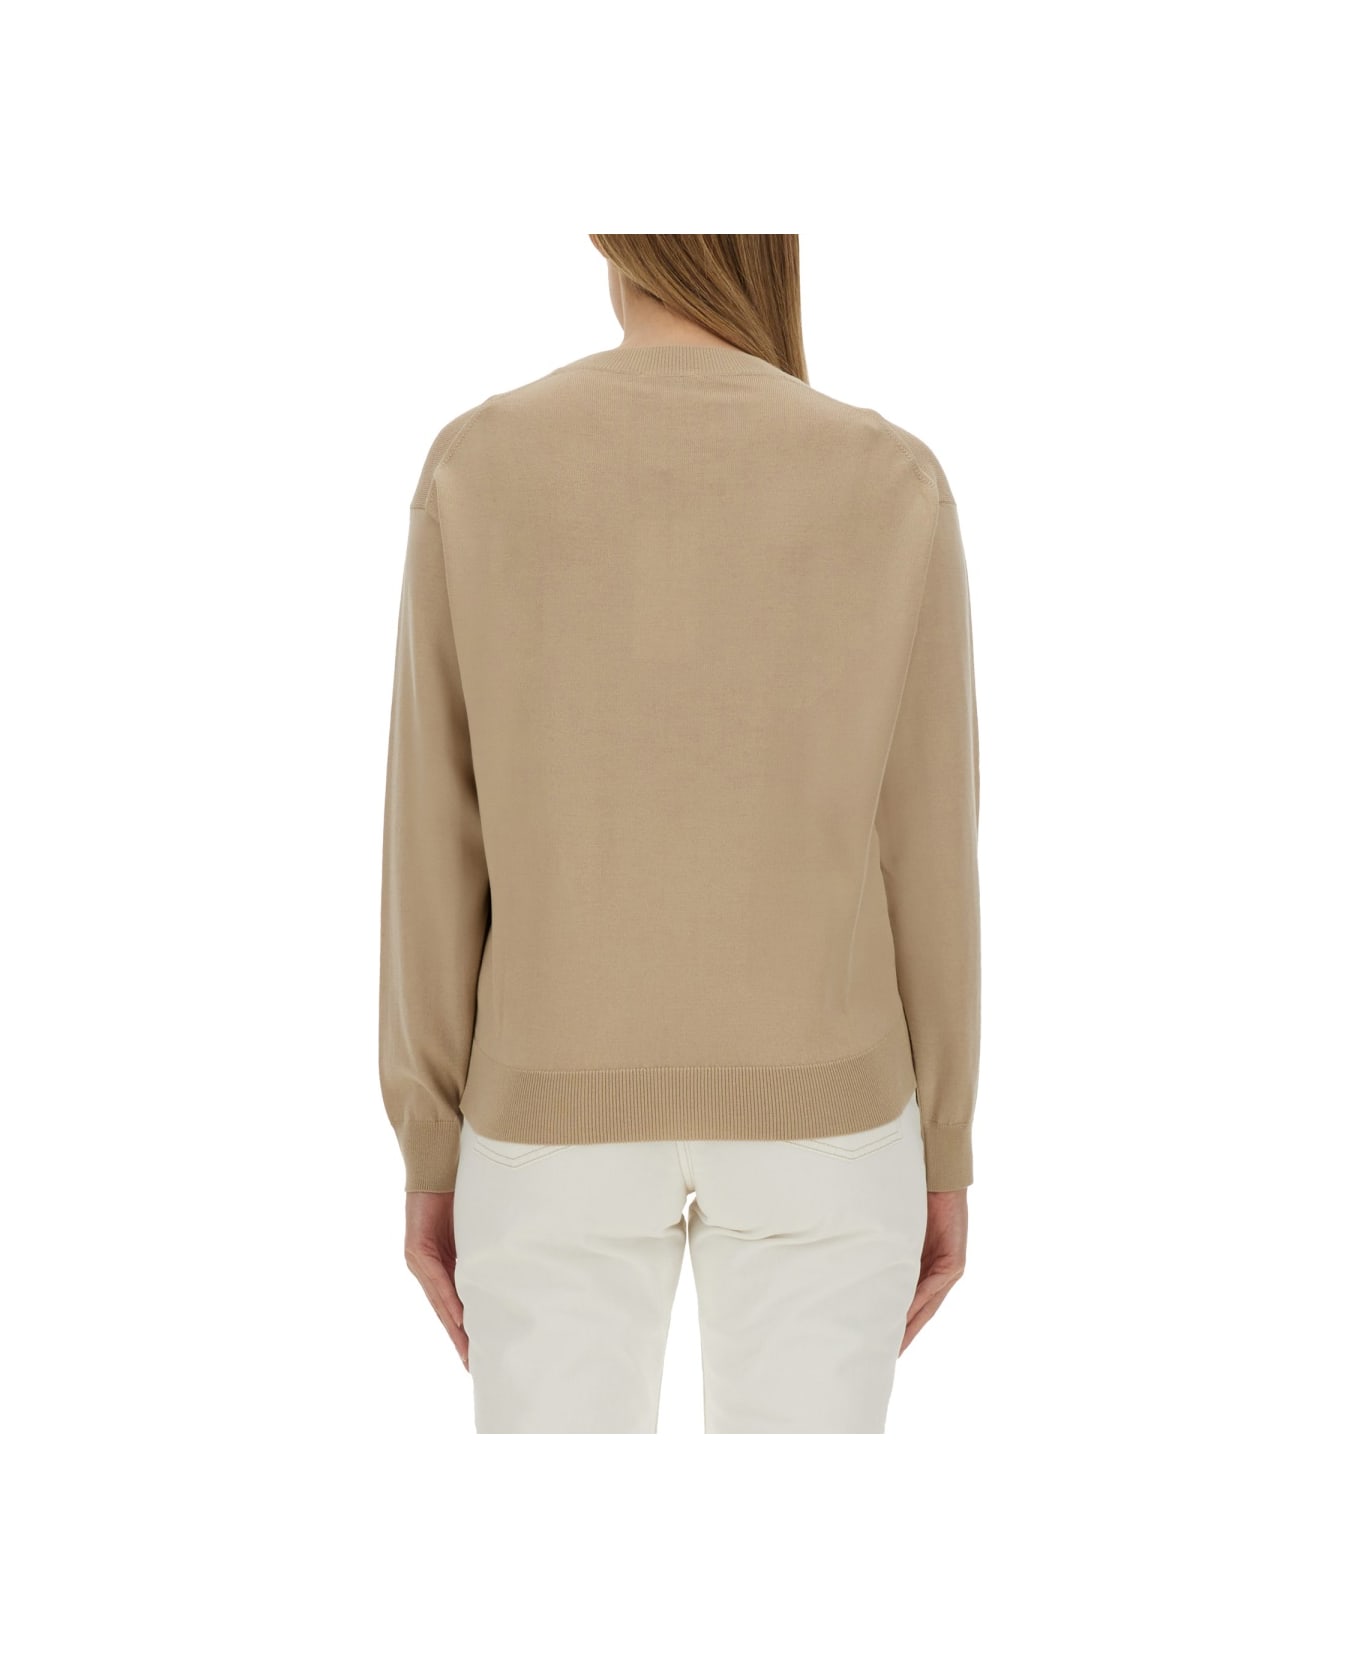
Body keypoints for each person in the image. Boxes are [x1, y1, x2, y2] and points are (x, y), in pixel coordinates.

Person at [378, 234, 981, 1434]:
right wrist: (946, 1141)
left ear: (621, 245)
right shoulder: (888, 477)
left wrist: (431, 1140)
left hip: (544, 1113)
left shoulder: (480, 463)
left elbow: (432, 842)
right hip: (830, 1115)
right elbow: (929, 848)